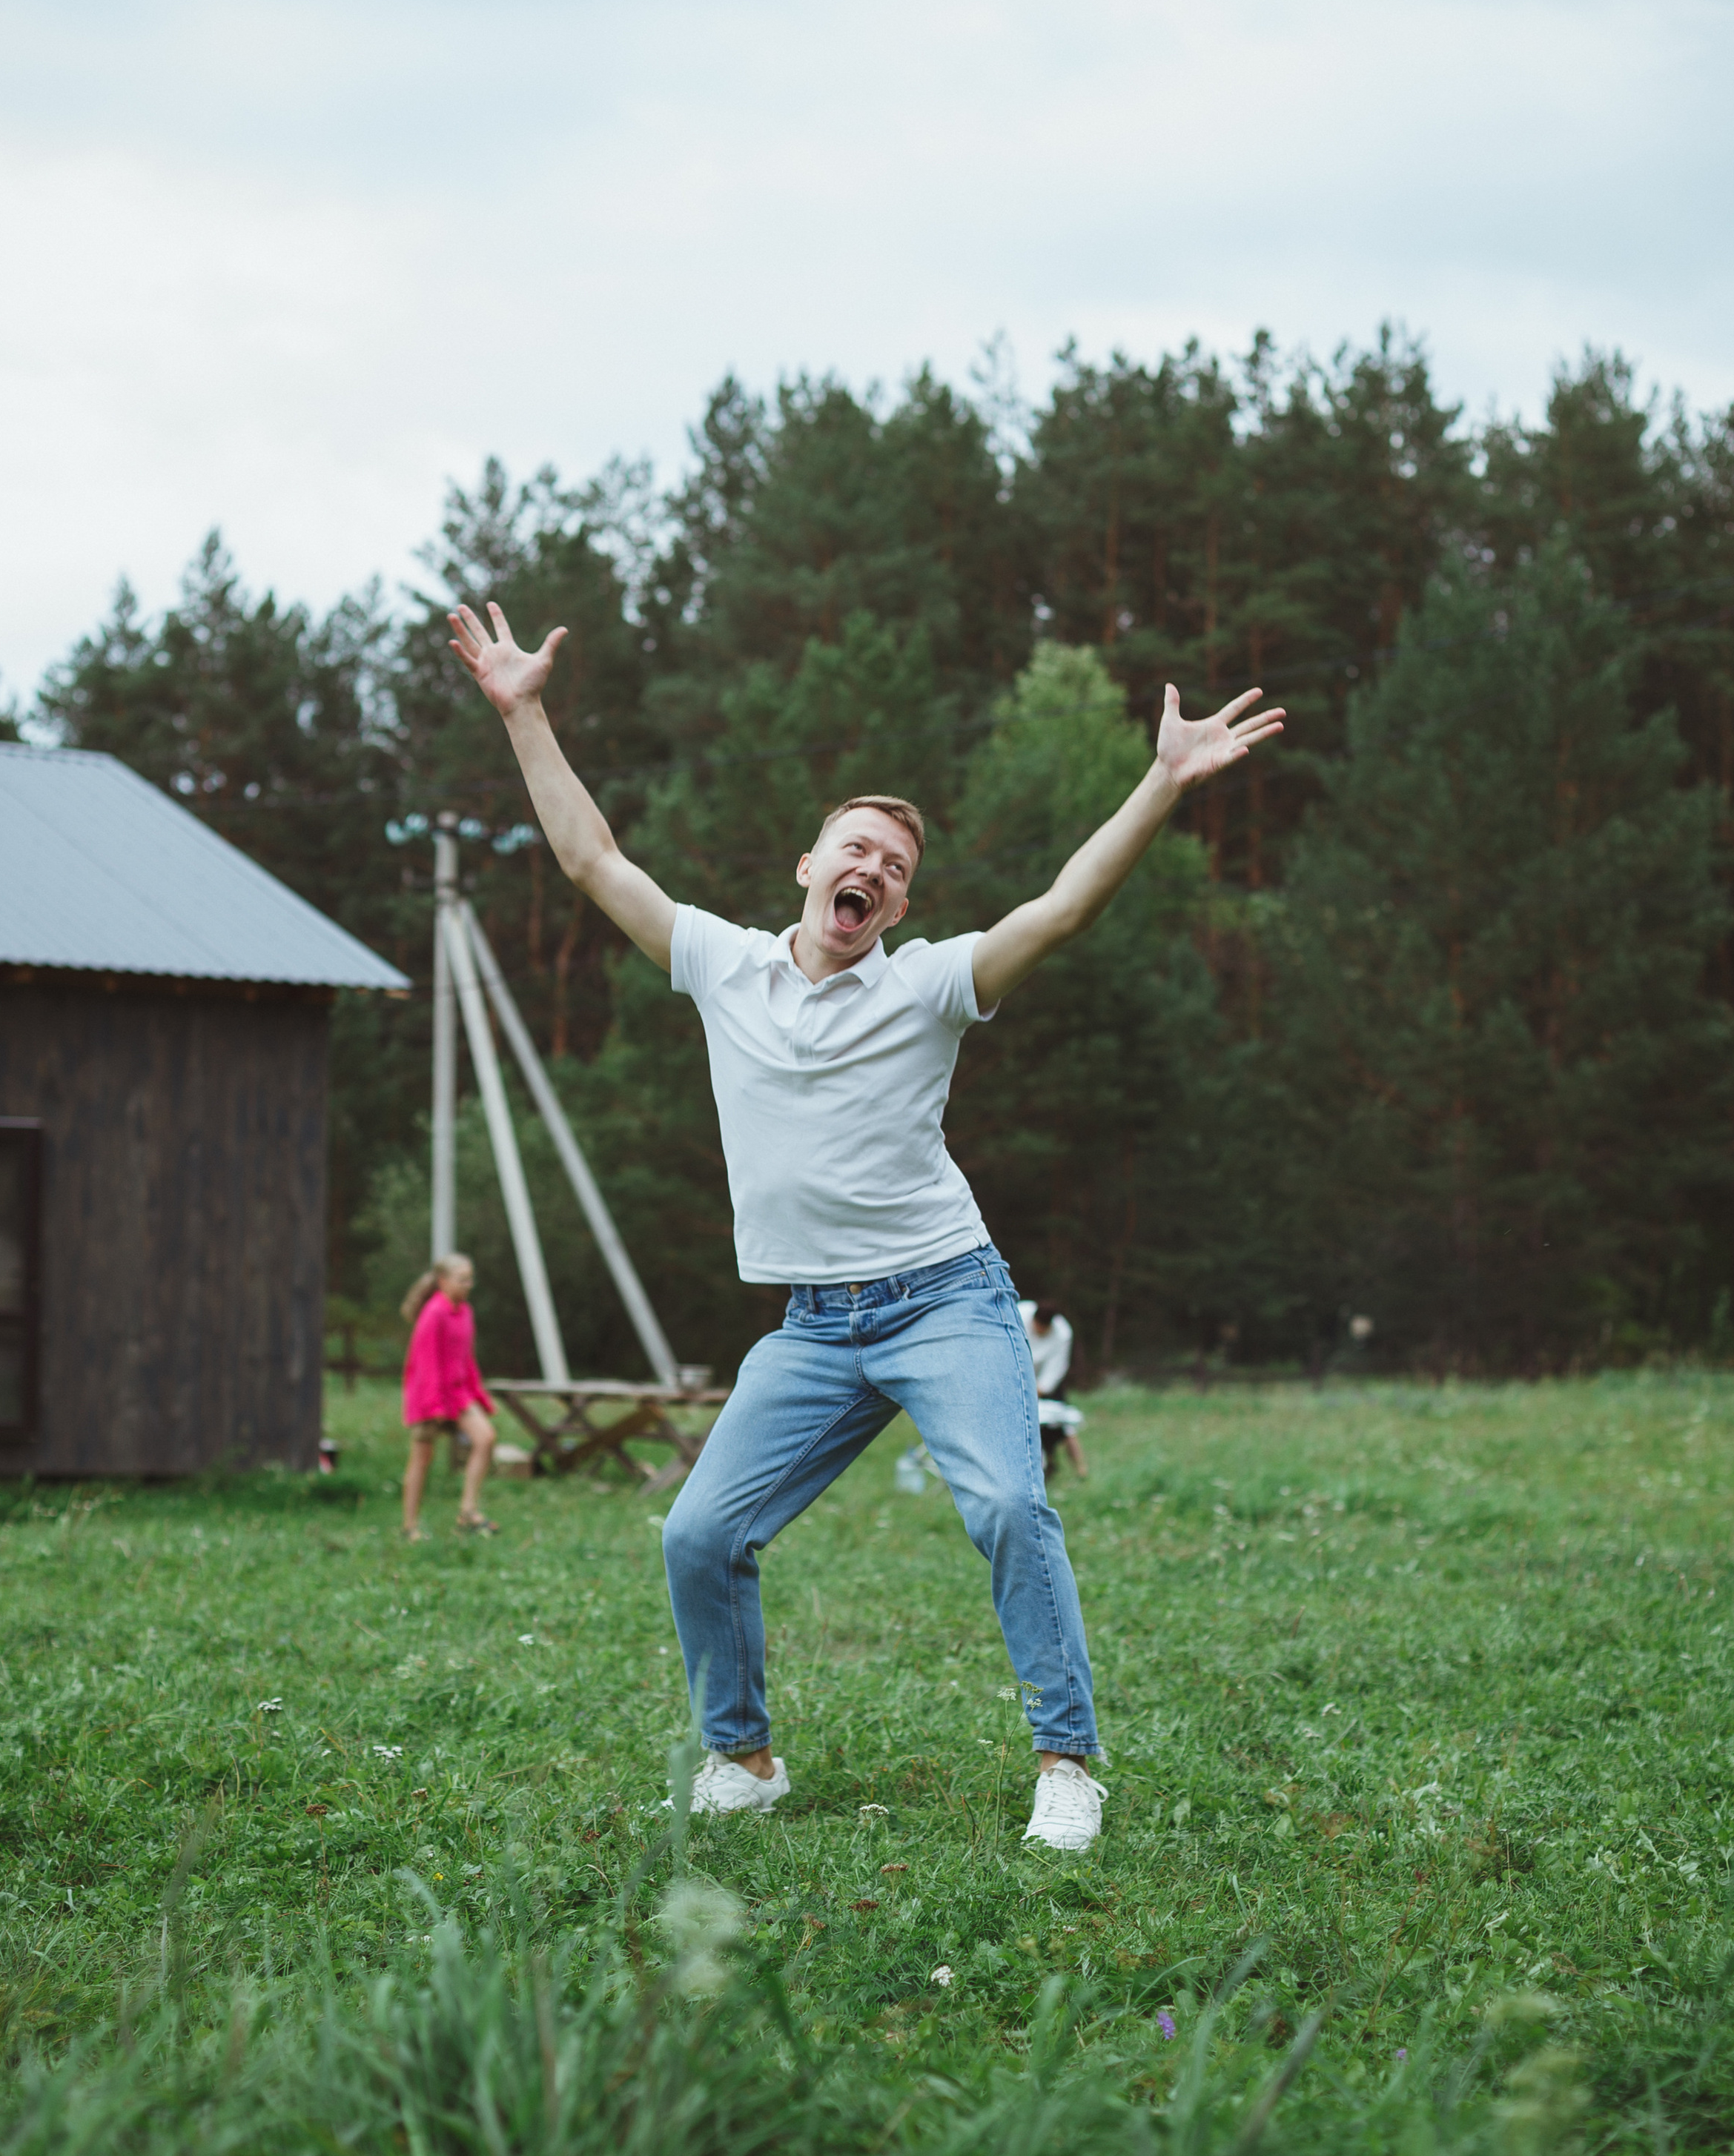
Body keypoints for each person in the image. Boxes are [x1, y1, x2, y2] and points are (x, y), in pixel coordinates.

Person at [449, 597, 1283, 1853]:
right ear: (809, 867)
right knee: (697, 1533)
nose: (876, 873)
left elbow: (1058, 909)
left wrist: (1160, 785)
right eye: (857, 851)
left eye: (896, 869)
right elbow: (592, 861)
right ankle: (745, 1757)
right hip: (813, 1326)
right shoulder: (723, 966)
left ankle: (1068, 1762)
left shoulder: (934, 986)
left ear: (897, 906)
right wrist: (526, 714)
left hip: (945, 1297)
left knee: (1008, 1504)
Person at [399, 1255, 500, 1541]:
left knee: (486, 1438)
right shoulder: (434, 1313)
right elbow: (425, 1363)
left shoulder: (465, 1311)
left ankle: (467, 1512)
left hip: (458, 1393)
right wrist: (434, 1405)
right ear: (443, 1281)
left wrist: (479, 1395)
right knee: (422, 1458)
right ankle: (410, 1527)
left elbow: (467, 1358)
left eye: (470, 1279)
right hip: (429, 1395)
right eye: (462, 1279)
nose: (469, 1285)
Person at [1019, 1299, 1089, 1483]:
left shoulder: (1063, 1333)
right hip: (1016, 1375)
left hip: (1044, 1382)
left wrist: (1038, 1391)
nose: (1041, 1331)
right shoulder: (1019, 1314)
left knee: (1063, 1423)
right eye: (1038, 1327)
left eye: (1044, 1328)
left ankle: (1081, 1470)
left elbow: (1056, 1368)